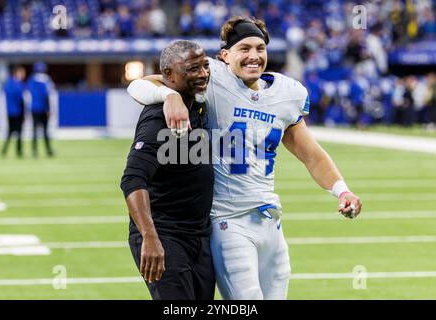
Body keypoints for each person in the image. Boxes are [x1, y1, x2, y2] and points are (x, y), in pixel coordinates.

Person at [127, 16, 363, 300]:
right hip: (228, 220)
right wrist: (168, 95)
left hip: (269, 219)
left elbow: (311, 155)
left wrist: (342, 190)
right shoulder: (212, 79)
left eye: (260, 48)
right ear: (225, 55)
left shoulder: (287, 94)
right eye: (245, 48)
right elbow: (139, 85)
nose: (254, 56)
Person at [120, 40, 215, 300]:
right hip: (164, 235)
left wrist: (170, 93)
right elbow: (132, 180)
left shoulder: (195, 99)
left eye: (205, 66)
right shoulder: (157, 118)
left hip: (198, 236)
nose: (203, 74)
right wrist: (149, 237)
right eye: (193, 69)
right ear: (170, 75)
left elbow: (148, 82)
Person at [27, 61, 54, 157]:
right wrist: (49, 109)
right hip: (43, 108)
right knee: (45, 131)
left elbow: (27, 94)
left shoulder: (31, 80)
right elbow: (47, 95)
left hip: (34, 108)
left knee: (34, 130)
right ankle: (49, 150)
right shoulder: (46, 80)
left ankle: (34, 151)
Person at [1, 66, 26, 158]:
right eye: (22, 72)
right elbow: (20, 99)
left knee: (10, 132)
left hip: (9, 112)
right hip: (17, 112)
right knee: (19, 132)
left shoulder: (8, 84)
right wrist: (24, 113)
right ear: (17, 73)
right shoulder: (18, 85)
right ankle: (19, 151)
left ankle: (4, 150)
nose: (23, 75)